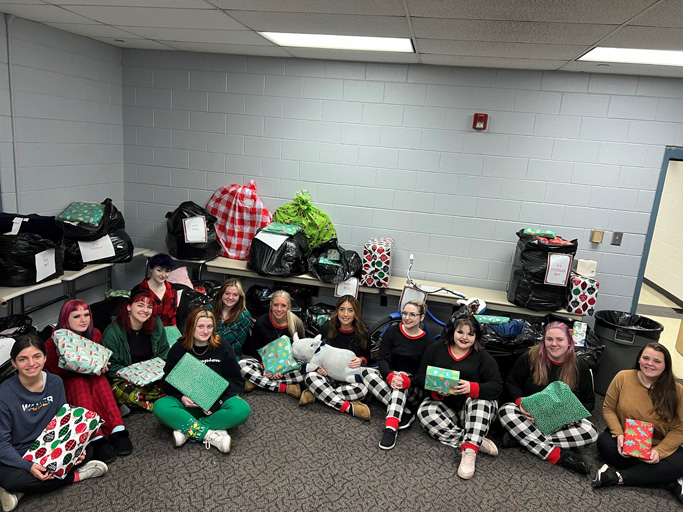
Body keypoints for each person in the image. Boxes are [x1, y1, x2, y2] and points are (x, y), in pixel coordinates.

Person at [0, 335, 108, 512]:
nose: (31, 363)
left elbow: (64, 423)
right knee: (10, 478)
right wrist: (28, 466)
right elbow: (2, 444)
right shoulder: (4, 393)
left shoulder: (55, 383)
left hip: (50, 448)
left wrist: (74, 449)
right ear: (14, 363)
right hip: (18, 452)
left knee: (88, 452)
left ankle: (21, 493)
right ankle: (77, 476)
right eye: (23, 359)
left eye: (36, 356)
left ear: (45, 358)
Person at [499, 321, 597, 475]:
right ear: (543, 340)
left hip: (561, 423)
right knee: (506, 410)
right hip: (530, 417)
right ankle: (556, 456)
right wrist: (519, 402)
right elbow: (511, 383)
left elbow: (589, 401)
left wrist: (575, 416)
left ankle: (520, 437)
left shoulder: (580, 366)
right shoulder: (529, 357)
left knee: (590, 431)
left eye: (559, 339)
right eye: (549, 339)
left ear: (569, 342)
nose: (554, 344)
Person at [592, 342, 683, 503]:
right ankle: (667, 480)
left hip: (658, 443)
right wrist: (619, 434)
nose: (650, 363)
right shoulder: (623, 377)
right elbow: (608, 409)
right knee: (604, 444)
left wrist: (659, 452)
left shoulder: (677, 390)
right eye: (646, 358)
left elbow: (679, 429)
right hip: (626, 440)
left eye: (657, 361)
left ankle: (617, 477)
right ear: (639, 359)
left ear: (666, 365)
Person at [44, 300, 133, 464]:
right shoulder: (51, 343)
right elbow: (54, 374)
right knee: (79, 382)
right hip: (68, 383)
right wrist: (76, 366)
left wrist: (100, 366)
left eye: (86, 315)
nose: (83, 320)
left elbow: (96, 362)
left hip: (91, 378)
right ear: (65, 319)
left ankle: (117, 429)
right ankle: (94, 435)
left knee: (99, 380)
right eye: (76, 316)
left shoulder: (95, 334)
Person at [415, 315, 502, 480]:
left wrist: (472, 387)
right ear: (452, 332)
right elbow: (420, 377)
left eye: (471, 334)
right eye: (460, 332)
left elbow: (497, 387)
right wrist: (437, 391)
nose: (464, 337)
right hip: (446, 406)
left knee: (482, 400)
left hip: (473, 411)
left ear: (476, 336)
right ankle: (474, 441)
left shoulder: (483, 357)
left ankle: (469, 452)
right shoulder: (436, 349)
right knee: (424, 413)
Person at [154, 308, 250, 453]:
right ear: (191, 326)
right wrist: (181, 397)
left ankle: (188, 429)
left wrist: (216, 404)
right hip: (187, 403)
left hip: (217, 403)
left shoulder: (222, 346)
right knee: (160, 406)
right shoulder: (178, 348)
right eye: (200, 326)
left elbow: (235, 380)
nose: (205, 331)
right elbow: (168, 381)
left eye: (209, 327)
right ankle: (211, 435)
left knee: (242, 410)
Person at [361, 300, 432, 451]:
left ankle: (390, 428)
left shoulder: (427, 343)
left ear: (422, 317)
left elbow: (423, 375)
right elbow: (382, 358)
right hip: (391, 379)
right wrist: (389, 376)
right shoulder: (393, 331)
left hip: (411, 387)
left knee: (402, 375)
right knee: (365, 371)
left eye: (412, 314)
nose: (407, 317)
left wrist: (408, 381)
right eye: (405, 313)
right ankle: (404, 410)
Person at [299, 295, 372, 421]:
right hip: (328, 376)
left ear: (356, 313)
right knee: (310, 377)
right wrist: (318, 368)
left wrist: (361, 360)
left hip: (348, 379)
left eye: (350, 310)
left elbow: (367, 357)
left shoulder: (363, 333)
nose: (345, 314)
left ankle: (319, 395)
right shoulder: (326, 329)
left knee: (363, 389)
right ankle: (347, 406)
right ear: (337, 310)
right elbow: (315, 353)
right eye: (342, 309)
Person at [102, 291, 170, 412]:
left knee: (178, 380)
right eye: (140, 305)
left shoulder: (156, 323)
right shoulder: (113, 332)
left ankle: (150, 399)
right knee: (126, 393)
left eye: (149, 307)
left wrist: (158, 372)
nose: (145, 310)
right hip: (127, 379)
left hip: (154, 376)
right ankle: (160, 404)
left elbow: (164, 351)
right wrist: (134, 375)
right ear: (129, 307)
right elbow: (112, 367)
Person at [239, 290, 305, 398]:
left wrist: (283, 370)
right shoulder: (261, 322)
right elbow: (254, 350)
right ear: (271, 305)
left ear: (288, 307)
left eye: (283, 305)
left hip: (288, 366)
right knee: (242, 365)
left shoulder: (296, 323)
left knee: (305, 372)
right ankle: (286, 387)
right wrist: (265, 367)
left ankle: (257, 382)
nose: (279, 309)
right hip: (264, 364)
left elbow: (301, 352)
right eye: (275, 305)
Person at [208, 279, 252, 360]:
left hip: (229, 355)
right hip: (206, 352)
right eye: (227, 293)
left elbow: (236, 347)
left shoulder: (243, 316)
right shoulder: (209, 310)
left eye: (235, 295)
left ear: (240, 297)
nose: (230, 297)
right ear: (221, 293)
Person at [132, 253, 178, 326]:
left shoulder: (173, 290)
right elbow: (134, 317)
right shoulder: (139, 289)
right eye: (159, 270)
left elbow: (173, 315)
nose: (163, 275)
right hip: (146, 329)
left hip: (168, 329)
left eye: (167, 271)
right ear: (151, 269)